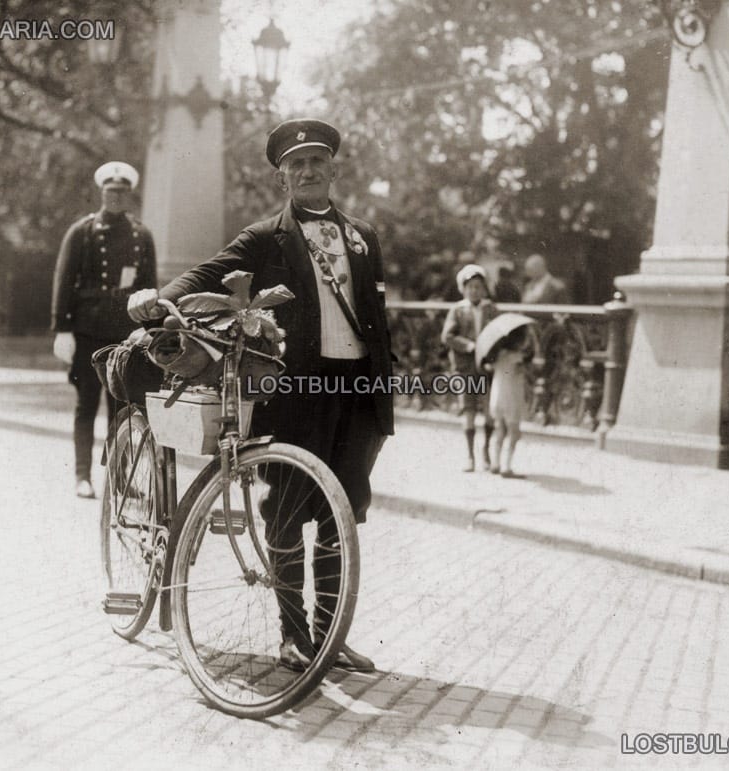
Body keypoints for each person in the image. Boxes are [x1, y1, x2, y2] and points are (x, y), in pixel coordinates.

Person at [127, 119, 392, 673]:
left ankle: (330, 634)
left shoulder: (364, 236)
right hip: (295, 391)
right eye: (296, 165)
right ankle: (293, 636)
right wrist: (156, 299)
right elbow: (208, 270)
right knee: (289, 510)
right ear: (283, 179)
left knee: (342, 512)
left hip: (358, 391)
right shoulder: (265, 238)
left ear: (334, 170)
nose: (308, 171)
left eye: (317, 161)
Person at [51, 161, 158, 499]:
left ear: (130, 194)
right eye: (111, 191)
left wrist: (151, 330)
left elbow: (150, 287)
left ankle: (121, 478)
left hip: (125, 334)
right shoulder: (82, 232)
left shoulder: (142, 235)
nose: (116, 197)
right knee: (86, 404)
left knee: (122, 408)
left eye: (122, 192)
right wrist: (61, 329)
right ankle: (82, 475)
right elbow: (64, 281)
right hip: (86, 332)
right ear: (102, 192)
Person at [441, 264, 497, 472]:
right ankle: (470, 455)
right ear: (463, 289)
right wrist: (469, 345)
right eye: (470, 287)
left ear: (484, 289)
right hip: (465, 369)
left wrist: (490, 349)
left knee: (489, 410)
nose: (474, 291)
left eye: (478, 287)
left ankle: (487, 451)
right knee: (469, 410)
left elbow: (499, 335)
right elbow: (447, 336)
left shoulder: (490, 309)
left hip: (486, 368)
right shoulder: (457, 310)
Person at [486, 324, 536, 478]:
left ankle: (495, 462)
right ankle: (506, 466)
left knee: (500, 429)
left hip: (497, 397)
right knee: (513, 432)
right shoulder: (518, 358)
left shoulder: (499, 355)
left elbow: (488, 367)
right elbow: (527, 364)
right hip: (511, 397)